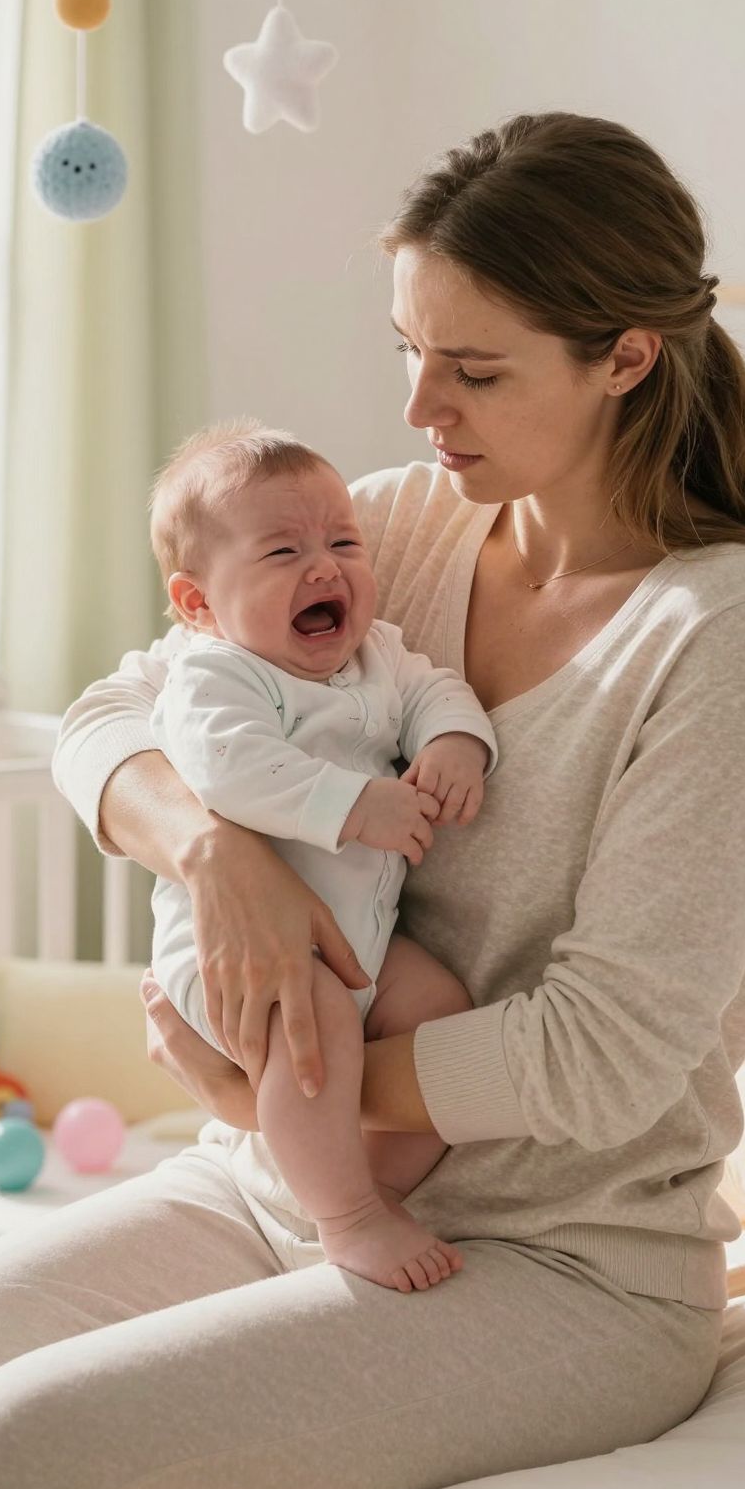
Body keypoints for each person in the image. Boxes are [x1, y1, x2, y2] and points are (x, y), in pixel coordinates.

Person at [0, 111, 745, 1489]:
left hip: (559, 1265)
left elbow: (611, 1055)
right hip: (280, 1180)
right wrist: (211, 855)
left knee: (17, 1465)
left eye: (474, 372)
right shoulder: (397, 527)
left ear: (626, 356)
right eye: (408, 351)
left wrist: (277, 1084)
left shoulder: (723, 626)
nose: (420, 409)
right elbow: (106, 718)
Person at [145, 420, 497, 1290]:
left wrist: (456, 742)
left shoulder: (377, 655)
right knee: (318, 1022)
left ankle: (357, 1183)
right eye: (281, 553)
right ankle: (347, 1219)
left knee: (441, 1009)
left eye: (344, 542)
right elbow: (226, 767)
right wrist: (353, 805)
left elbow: (434, 690)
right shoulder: (215, 674)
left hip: (363, 942)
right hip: (241, 958)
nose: (325, 567)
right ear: (198, 604)